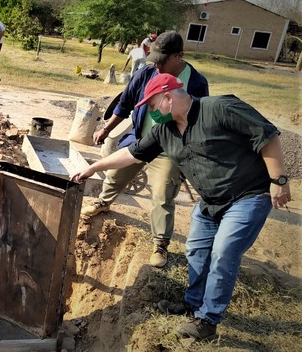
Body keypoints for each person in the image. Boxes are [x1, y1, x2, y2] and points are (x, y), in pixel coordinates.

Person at [71, 73, 291, 341]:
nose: (152, 113)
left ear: (167, 97)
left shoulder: (220, 108)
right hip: (210, 202)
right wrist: (93, 167)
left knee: (223, 253)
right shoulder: (165, 131)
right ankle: (193, 304)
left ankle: (207, 321)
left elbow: (267, 136)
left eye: (152, 106)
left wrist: (278, 180)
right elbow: (130, 154)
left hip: (248, 195)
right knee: (196, 250)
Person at [82, 32, 209, 268]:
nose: (157, 66)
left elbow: (197, 123)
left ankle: (160, 243)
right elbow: (126, 103)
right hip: (140, 140)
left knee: (162, 195)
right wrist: (106, 129)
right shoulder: (146, 73)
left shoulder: (197, 82)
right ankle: (104, 202)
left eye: (163, 61)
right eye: (155, 60)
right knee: (115, 175)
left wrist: (188, 158)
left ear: (179, 55)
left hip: (169, 149)